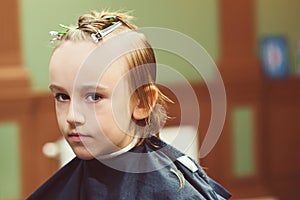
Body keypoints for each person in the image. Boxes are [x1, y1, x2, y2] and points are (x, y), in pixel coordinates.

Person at [27, 10, 231, 200]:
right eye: (62, 96)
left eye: (94, 97)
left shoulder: (173, 192)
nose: (72, 116)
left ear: (142, 103)